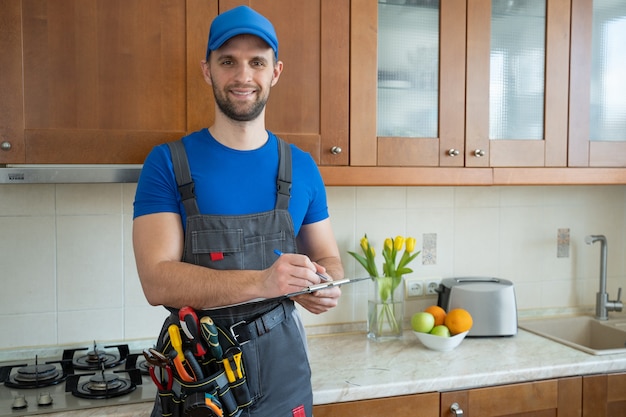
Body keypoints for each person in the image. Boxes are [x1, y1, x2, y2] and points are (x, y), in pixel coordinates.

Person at [132, 5, 344, 417]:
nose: (243, 76)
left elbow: (328, 258)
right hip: (197, 374)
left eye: (256, 62)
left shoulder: (301, 166)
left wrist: (324, 284)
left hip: (284, 374)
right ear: (207, 70)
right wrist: (264, 282)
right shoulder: (167, 163)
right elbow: (156, 281)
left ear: (275, 72)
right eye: (228, 61)